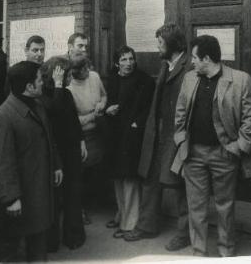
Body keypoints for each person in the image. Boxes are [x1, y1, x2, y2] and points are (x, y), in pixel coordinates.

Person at [173, 35, 251, 257]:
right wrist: (181, 139)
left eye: (194, 58)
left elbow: (250, 119)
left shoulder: (240, 80)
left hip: (225, 153)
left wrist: (239, 146)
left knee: (225, 206)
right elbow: (180, 112)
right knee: (196, 207)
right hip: (193, 153)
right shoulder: (190, 78)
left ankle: (225, 252)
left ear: (207, 59)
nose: (191, 62)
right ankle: (198, 252)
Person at [125, 23, 192, 252]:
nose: (157, 48)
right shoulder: (165, 64)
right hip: (158, 132)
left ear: (173, 44)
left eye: (160, 43)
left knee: (182, 183)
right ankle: (146, 225)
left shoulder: (190, 65)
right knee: (151, 179)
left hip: (177, 134)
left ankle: (184, 233)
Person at [0, 61, 63, 262]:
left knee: (39, 246)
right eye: (39, 79)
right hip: (21, 198)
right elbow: (2, 163)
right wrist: (11, 198)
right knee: (15, 252)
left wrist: (56, 165)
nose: (42, 83)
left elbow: (49, 138)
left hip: (39, 193)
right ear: (29, 87)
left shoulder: (38, 106)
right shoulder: (2, 117)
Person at [105, 46, 155, 239]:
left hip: (133, 135)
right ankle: (121, 214)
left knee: (130, 179)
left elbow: (148, 108)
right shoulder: (113, 79)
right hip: (116, 134)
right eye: (124, 60)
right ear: (117, 63)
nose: (128, 63)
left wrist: (137, 123)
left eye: (131, 59)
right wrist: (108, 109)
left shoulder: (144, 80)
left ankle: (130, 223)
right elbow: (108, 101)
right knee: (118, 177)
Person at [40, 56, 86, 250]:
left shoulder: (65, 93)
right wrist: (58, 86)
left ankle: (73, 236)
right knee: (54, 197)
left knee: (73, 194)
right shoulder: (43, 93)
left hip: (71, 149)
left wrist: (82, 140)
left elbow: (73, 119)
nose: (69, 78)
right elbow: (54, 112)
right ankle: (52, 241)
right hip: (55, 151)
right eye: (65, 74)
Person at [67, 55, 107, 224]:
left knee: (98, 169)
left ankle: (96, 204)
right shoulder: (69, 88)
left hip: (99, 131)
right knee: (80, 174)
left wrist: (102, 104)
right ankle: (80, 209)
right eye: (79, 71)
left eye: (85, 69)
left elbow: (104, 96)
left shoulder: (95, 76)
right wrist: (93, 115)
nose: (85, 73)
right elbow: (74, 121)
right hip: (83, 135)